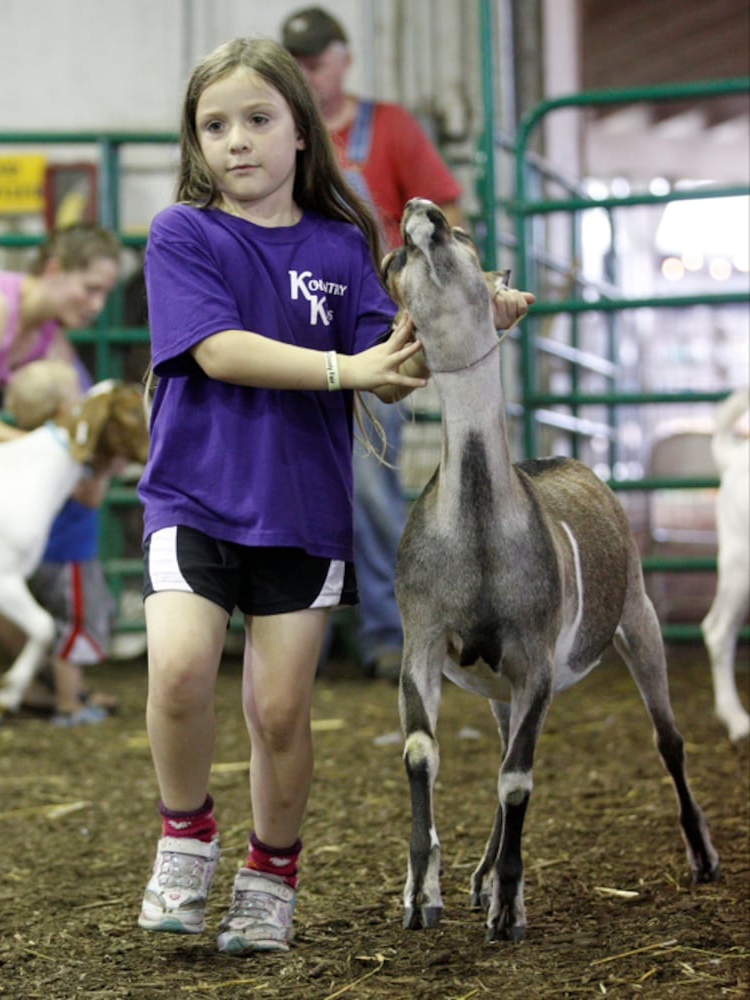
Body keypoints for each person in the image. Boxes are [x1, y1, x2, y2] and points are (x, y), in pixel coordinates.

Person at [135, 36, 532, 957]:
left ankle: (271, 874)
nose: (237, 141)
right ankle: (186, 834)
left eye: (258, 120)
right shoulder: (182, 235)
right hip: (191, 499)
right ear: (196, 145)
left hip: (303, 513)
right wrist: (341, 367)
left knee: (279, 712)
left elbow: (390, 371)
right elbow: (218, 350)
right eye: (214, 126)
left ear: (303, 134)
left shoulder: (341, 245)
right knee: (180, 673)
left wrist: (471, 310)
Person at [282, 6, 464, 679]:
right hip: (295, 333)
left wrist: (433, 297)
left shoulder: (388, 128)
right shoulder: (282, 129)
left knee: (368, 486)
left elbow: (445, 211)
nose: (308, 72)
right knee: (291, 479)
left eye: (316, 60)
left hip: (373, 329)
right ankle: (300, 635)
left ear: (344, 58)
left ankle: (392, 632)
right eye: (296, 62)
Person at [0, 223, 123, 724]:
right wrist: (44, 453)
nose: (96, 305)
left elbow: (78, 419)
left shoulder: (51, 338)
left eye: (105, 293)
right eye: (90, 288)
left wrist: (88, 467)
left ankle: (46, 688)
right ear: (53, 270)